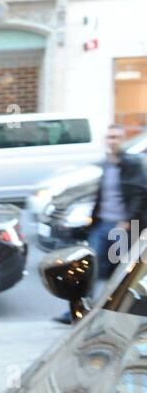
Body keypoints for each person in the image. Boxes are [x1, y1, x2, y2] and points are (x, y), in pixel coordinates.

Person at [54, 123, 147, 323]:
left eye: (116, 137)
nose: (112, 140)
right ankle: (77, 311)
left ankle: (114, 312)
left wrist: (127, 221)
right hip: (102, 225)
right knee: (89, 268)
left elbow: (139, 194)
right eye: (109, 137)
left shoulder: (131, 164)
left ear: (122, 140)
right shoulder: (105, 164)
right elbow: (99, 195)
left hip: (122, 228)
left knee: (119, 271)